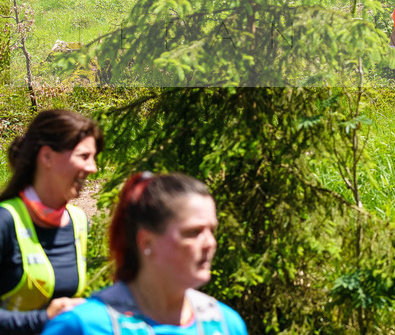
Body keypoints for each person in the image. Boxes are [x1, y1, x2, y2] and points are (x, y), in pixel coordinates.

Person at [42, 172, 247, 335]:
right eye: (193, 232)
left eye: (212, 231)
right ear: (147, 242)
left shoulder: (225, 325)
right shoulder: (84, 325)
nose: (210, 243)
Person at [1, 110, 103, 334]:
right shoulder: (5, 221)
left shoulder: (77, 221)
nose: (92, 168)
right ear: (47, 157)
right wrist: (43, 318)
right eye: (83, 156)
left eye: (93, 158)